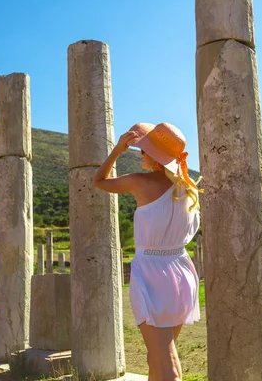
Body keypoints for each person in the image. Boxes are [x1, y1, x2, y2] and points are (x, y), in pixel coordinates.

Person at [93, 122, 203, 381]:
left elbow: (98, 181)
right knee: (157, 357)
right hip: (183, 273)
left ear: (154, 155)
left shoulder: (139, 182)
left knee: (167, 365)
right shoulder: (188, 189)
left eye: (143, 150)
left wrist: (118, 150)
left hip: (152, 275)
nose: (140, 154)